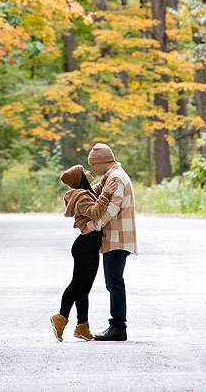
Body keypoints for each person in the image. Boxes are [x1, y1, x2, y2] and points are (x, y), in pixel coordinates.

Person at [80, 141, 137, 341]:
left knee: (114, 282)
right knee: (113, 282)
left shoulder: (117, 178)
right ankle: (116, 325)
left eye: (94, 164)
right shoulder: (109, 176)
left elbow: (112, 209)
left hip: (118, 237)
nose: (92, 168)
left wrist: (92, 226)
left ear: (103, 161)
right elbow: (94, 195)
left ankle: (118, 327)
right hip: (114, 237)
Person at [50, 164, 103, 342]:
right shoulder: (81, 196)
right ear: (80, 178)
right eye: (86, 172)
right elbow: (95, 213)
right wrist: (108, 196)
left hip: (90, 246)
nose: (89, 172)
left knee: (84, 289)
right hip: (85, 246)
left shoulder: (86, 192)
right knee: (77, 284)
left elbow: (96, 196)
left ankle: (82, 327)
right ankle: (60, 318)